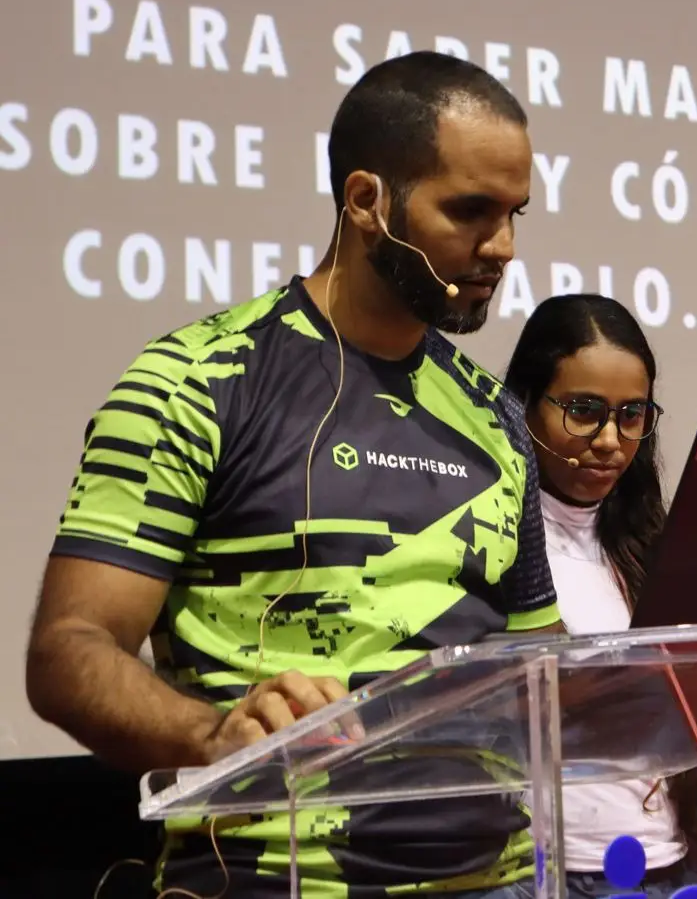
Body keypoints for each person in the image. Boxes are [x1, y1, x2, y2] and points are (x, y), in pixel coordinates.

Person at [25, 51, 562, 899]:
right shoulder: (198, 380)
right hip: (271, 878)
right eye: (470, 210)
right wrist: (213, 736)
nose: (502, 246)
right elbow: (67, 651)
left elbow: (546, 677)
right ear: (366, 202)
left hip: (508, 880)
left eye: (514, 213)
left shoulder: (496, 419)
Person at [503, 294, 697, 899]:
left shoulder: (652, 544)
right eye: (584, 411)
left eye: (632, 415)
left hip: (669, 866)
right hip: (539, 875)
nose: (611, 440)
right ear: (526, 405)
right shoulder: (492, 539)